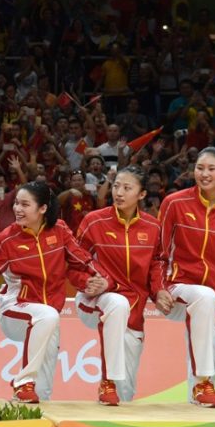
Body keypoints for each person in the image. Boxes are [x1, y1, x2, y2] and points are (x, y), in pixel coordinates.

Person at [0, 181, 107, 403]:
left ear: (42, 208)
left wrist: (101, 278)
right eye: (16, 204)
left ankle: (33, 408)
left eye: (25, 204)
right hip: (14, 311)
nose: (17, 209)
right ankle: (22, 382)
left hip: (47, 319)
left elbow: (81, 257)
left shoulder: (59, 230)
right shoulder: (6, 239)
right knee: (48, 315)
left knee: (43, 390)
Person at [155, 147, 215, 408]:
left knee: (204, 376)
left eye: (211, 169)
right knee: (204, 296)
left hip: (213, 303)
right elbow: (158, 253)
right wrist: (159, 289)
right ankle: (203, 383)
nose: (204, 174)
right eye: (200, 168)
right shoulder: (174, 203)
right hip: (176, 292)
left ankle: (200, 393)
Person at [74, 165, 164, 405]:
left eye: (127, 187)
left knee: (125, 393)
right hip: (95, 301)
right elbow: (73, 261)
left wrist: (160, 290)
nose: (119, 192)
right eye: (116, 186)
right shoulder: (94, 221)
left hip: (133, 315)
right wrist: (87, 282)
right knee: (116, 302)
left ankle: (116, 393)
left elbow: (157, 264)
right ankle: (108, 381)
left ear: (142, 194)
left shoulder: (153, 228)